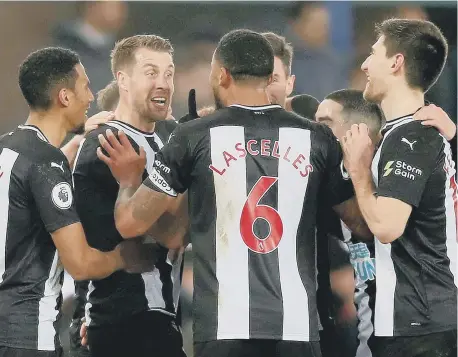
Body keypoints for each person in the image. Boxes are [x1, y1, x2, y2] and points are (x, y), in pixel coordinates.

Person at [96, 29, 375, 357]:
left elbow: (131, 225)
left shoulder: (194, 136)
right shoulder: (316, 138)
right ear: (270, 77)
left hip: (223, 329)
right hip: (297, 329)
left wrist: (129, 180)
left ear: (221, 75)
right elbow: (360, 223)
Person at [0, 47, 152, 357]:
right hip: (27, 334)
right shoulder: (47, 164)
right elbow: (80, 264)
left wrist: (77, 139)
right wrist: (125, 257)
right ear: (64, 97)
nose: (91, 96)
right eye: (84, 86)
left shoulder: (9, 146)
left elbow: (32, 189)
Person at [341, 18, 457, 357]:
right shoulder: (411, 133)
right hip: (423, 319)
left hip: (419, 323)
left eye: (373, 53)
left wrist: (360, 170)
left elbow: (387, 226)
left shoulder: (411, 136)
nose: (364, 63)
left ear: (396, 62)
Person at [72, 35, 187, 357]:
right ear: (122, 79)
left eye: (169, 73)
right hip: (125, 321)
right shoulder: (105, 147)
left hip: (163, 315)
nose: (163, 83)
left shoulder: (170, 137)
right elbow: (156, 235)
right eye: (151, 72)